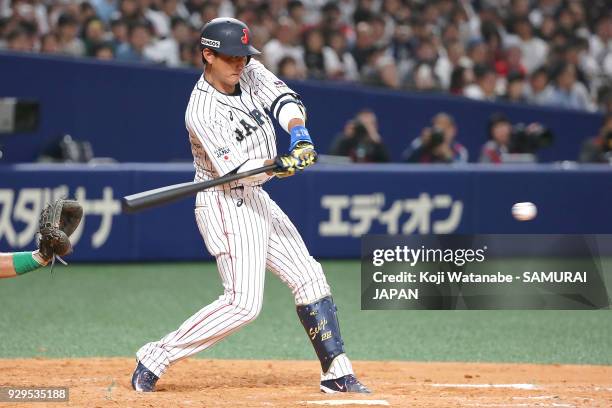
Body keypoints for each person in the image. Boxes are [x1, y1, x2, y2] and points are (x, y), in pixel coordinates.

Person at [131, 17, 370, 395]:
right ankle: (156, 356)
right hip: (225, 201)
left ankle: (336, 373)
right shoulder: (202, 110)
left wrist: (299, 135)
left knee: (309, 276)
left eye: (243, 55)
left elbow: (283, 99)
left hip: (256, 195)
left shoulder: (248, 69)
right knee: (243, 304)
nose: (240, 63)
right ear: (208, 55)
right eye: (230, 57)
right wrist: (280, 164)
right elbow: (239, 172)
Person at [403, 112, 468, 163]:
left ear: (453, 130)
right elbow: (405, 162)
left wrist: (448, 156)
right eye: (437, 125)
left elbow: (461, 173)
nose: (441, 129)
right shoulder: (419, 142)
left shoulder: (460, 150)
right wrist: (422, 146)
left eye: (445, 127)